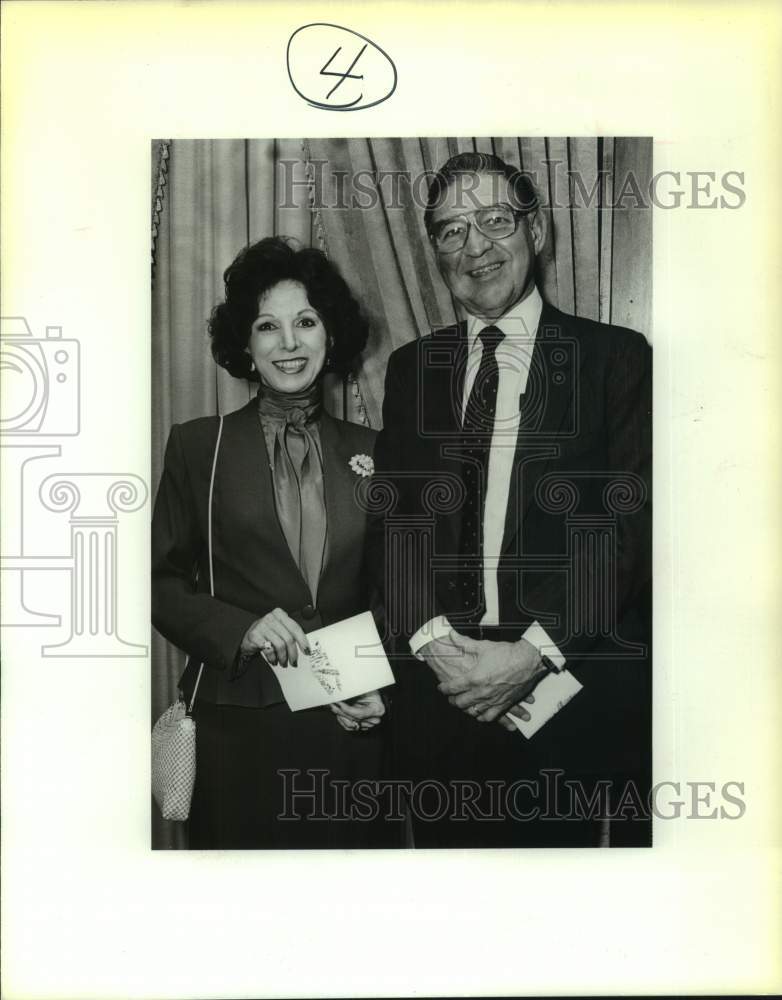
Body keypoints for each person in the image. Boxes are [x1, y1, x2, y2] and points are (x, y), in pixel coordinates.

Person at [368, 152, 652, 848]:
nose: (476, 246)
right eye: (451, 230)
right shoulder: (412, 368)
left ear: (537, 230)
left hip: (561, 695)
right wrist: (436, 649)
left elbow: (625, 533)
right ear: (434, 250)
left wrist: (531, 655)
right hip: (440, 699)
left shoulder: (614, 357)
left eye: (495, 220)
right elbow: (394, 527)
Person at [152, 236, 392, 849]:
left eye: (306, 322)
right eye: (267, 327)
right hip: (238, 722)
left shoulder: (375, 452)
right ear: (245, 346)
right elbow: (157, 583)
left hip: (350, 724)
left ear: (330, 336)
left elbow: (392, 590)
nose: (289, 344)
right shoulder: (196, 447)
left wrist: (369, 685)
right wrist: (241, 629)